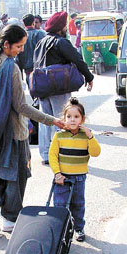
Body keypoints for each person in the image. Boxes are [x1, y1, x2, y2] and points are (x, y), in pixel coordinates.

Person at [0, 24, 66, 233]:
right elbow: (21, 106)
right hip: (13, 132)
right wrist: (51, 120)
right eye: (19, 46)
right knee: (17, 177)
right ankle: (10, 218)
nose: (22, 50)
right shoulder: (10, 67)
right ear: (6, 44)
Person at [33, 11, 94, 165]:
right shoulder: (61, 42)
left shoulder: (41, 42)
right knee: (63, 119)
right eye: (65, 26)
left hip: (42, 87)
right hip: (58, 87)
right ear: (60, 28)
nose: (66, 28)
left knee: (45, 121)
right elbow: (77, 59)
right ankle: (64, 151)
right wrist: (89, 76)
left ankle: (46, 154)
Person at [49, 97, 101, 242]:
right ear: (64, 118)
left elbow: (96, 152)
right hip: (62, 177)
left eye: (76, 117)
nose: (72, 120)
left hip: (79, 177)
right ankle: (60, 229)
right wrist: (57, 173)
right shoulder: (59, 135)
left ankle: (78, 228)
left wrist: (90, 136)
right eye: (69, 116)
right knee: (59, 204)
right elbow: (53, 156)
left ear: (82, 119)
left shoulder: (86, 136)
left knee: (78, 204)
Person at [15, 14, 46, 86]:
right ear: (33, 22)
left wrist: (20, 77)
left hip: (28, 71)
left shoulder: (19, 36)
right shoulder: (42, 34)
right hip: (41, 70)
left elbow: (17, 57)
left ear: (23, 23)